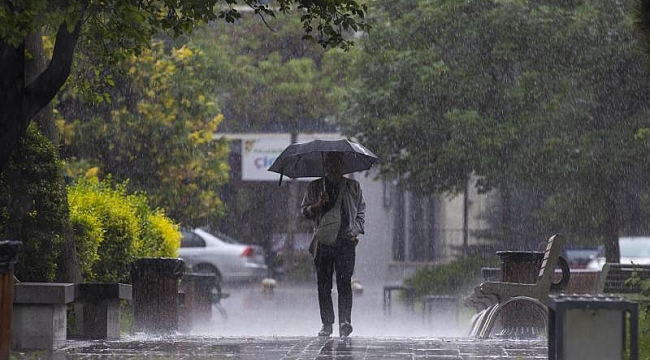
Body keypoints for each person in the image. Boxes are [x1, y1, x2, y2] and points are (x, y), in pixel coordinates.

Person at [300, 151, 366, 338]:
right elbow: (304, 212)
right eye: (330, 164)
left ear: (342, 166)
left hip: (346, 242)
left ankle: (345, 322)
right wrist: (318, 205)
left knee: (344, 283)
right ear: (325, 166)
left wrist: (355, 231)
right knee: (323, 284)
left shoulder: (353, 186)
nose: (333, 168)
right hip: (324, 243)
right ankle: (327, 324)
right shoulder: (314, 187)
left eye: (337, 163)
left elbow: (361, 211)